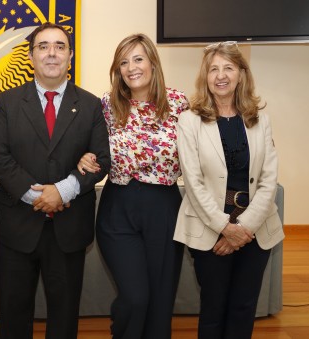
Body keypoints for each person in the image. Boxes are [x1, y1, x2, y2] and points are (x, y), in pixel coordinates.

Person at [0, 22, 110, 339]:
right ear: (30, 56)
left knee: (64, 318)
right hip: (18, 226)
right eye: (43, 46)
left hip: (68, 228)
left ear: (70, 56)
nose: (51, 53)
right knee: (13, 317)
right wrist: (38, 196)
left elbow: (101, 160)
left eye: (59, 46)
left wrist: (63, 191)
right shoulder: (7, 101)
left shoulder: (91, 105)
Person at [77, 33, 189, 338]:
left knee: (160, 299)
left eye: (138, 59)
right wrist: (85, 157)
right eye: (123, 62)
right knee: (135, 297)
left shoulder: (179, 103)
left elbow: (200, 153)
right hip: (118, 209)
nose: (131, 67)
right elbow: (91, 150)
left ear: (152, 62)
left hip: (164, 208)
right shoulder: (106, 106)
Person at [174, 41, 284, 339]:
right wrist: (225, 227)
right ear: (205, 77)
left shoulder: (261, 119)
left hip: (255, 229)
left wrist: (242, 229)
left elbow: (268, 180)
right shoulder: (189, 120)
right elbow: (193, 183)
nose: (221, 75)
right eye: (213, 69)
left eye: (228, 68)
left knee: (243, 306)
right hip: (210, 227)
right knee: (213, 307)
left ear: (240, 74)